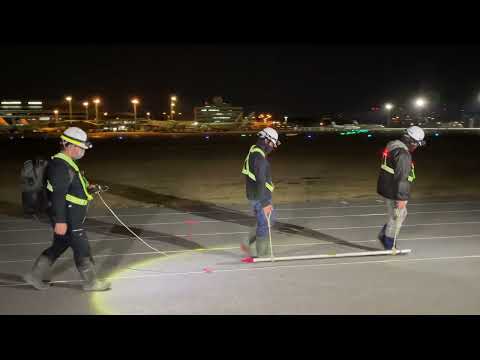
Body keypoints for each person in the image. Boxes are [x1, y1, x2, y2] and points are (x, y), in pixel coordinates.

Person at [24, 127, 111, 291]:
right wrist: (61, 221)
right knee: (82, 246)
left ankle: (34, 275)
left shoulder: (67, 163)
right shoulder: (59, 166)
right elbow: (58, 195)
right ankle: (91, 283)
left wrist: (89, 188)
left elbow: (71, 185)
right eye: (80, 147)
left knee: (60, 244)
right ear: (68, 145)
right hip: (68, 216)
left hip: (71, 213)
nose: (82, 151)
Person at [377, 125, 426, 250]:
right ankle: (388, 243)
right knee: (397, 216)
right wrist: (401, 199)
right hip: (393, 191)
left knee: (400, 215)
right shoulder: (403, 154)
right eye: (416, 144)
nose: (416, 147)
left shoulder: (393, 145)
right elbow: (402, 179)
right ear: (410, 141)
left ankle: (385, 234)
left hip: (385, 186)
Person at [241, 127, 281, 258]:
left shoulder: (254, 150)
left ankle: (247, 242)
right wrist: (265, 203)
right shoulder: (260, 159)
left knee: (266, 221)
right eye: (272, 144)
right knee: (265, 223)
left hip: (255, 194)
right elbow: (260, 181)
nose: (273, 147)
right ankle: (261, 253)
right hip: (260, 196)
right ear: (266, 140)